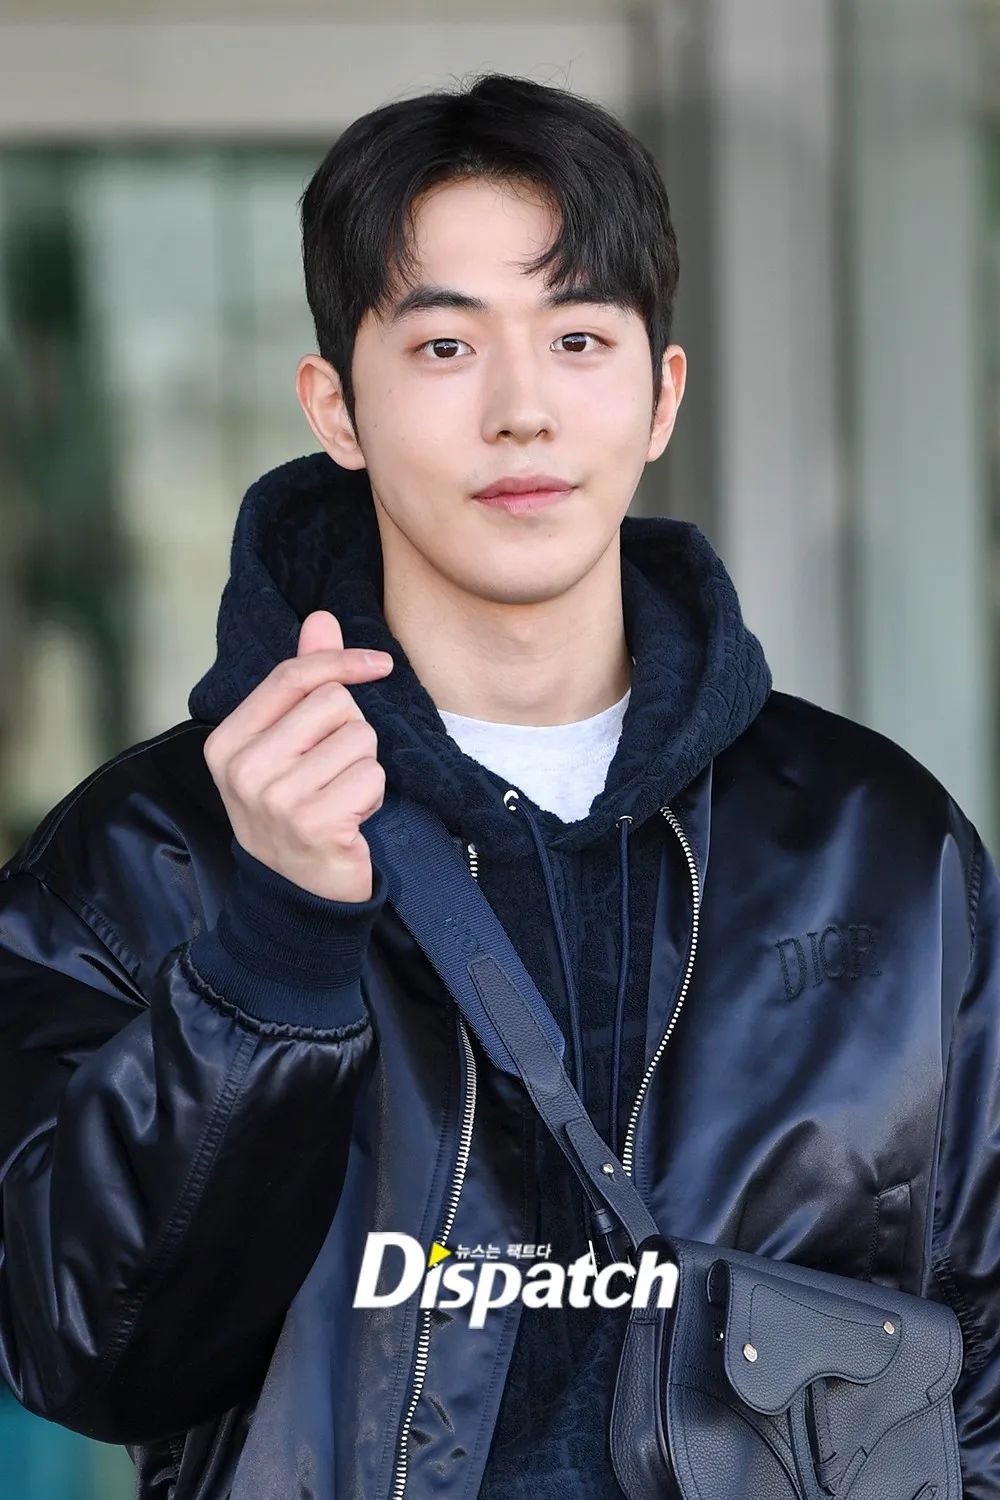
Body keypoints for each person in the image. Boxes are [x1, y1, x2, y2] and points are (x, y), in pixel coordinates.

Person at [0, 71, 997, 1500]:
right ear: (336, 407)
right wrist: (271, 954)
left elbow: (982, 1352)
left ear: (661, 397)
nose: (522, 410)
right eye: (446, 346)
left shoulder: (875, 841)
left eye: (578, 338)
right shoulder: (153, 850)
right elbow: (82, 1356)